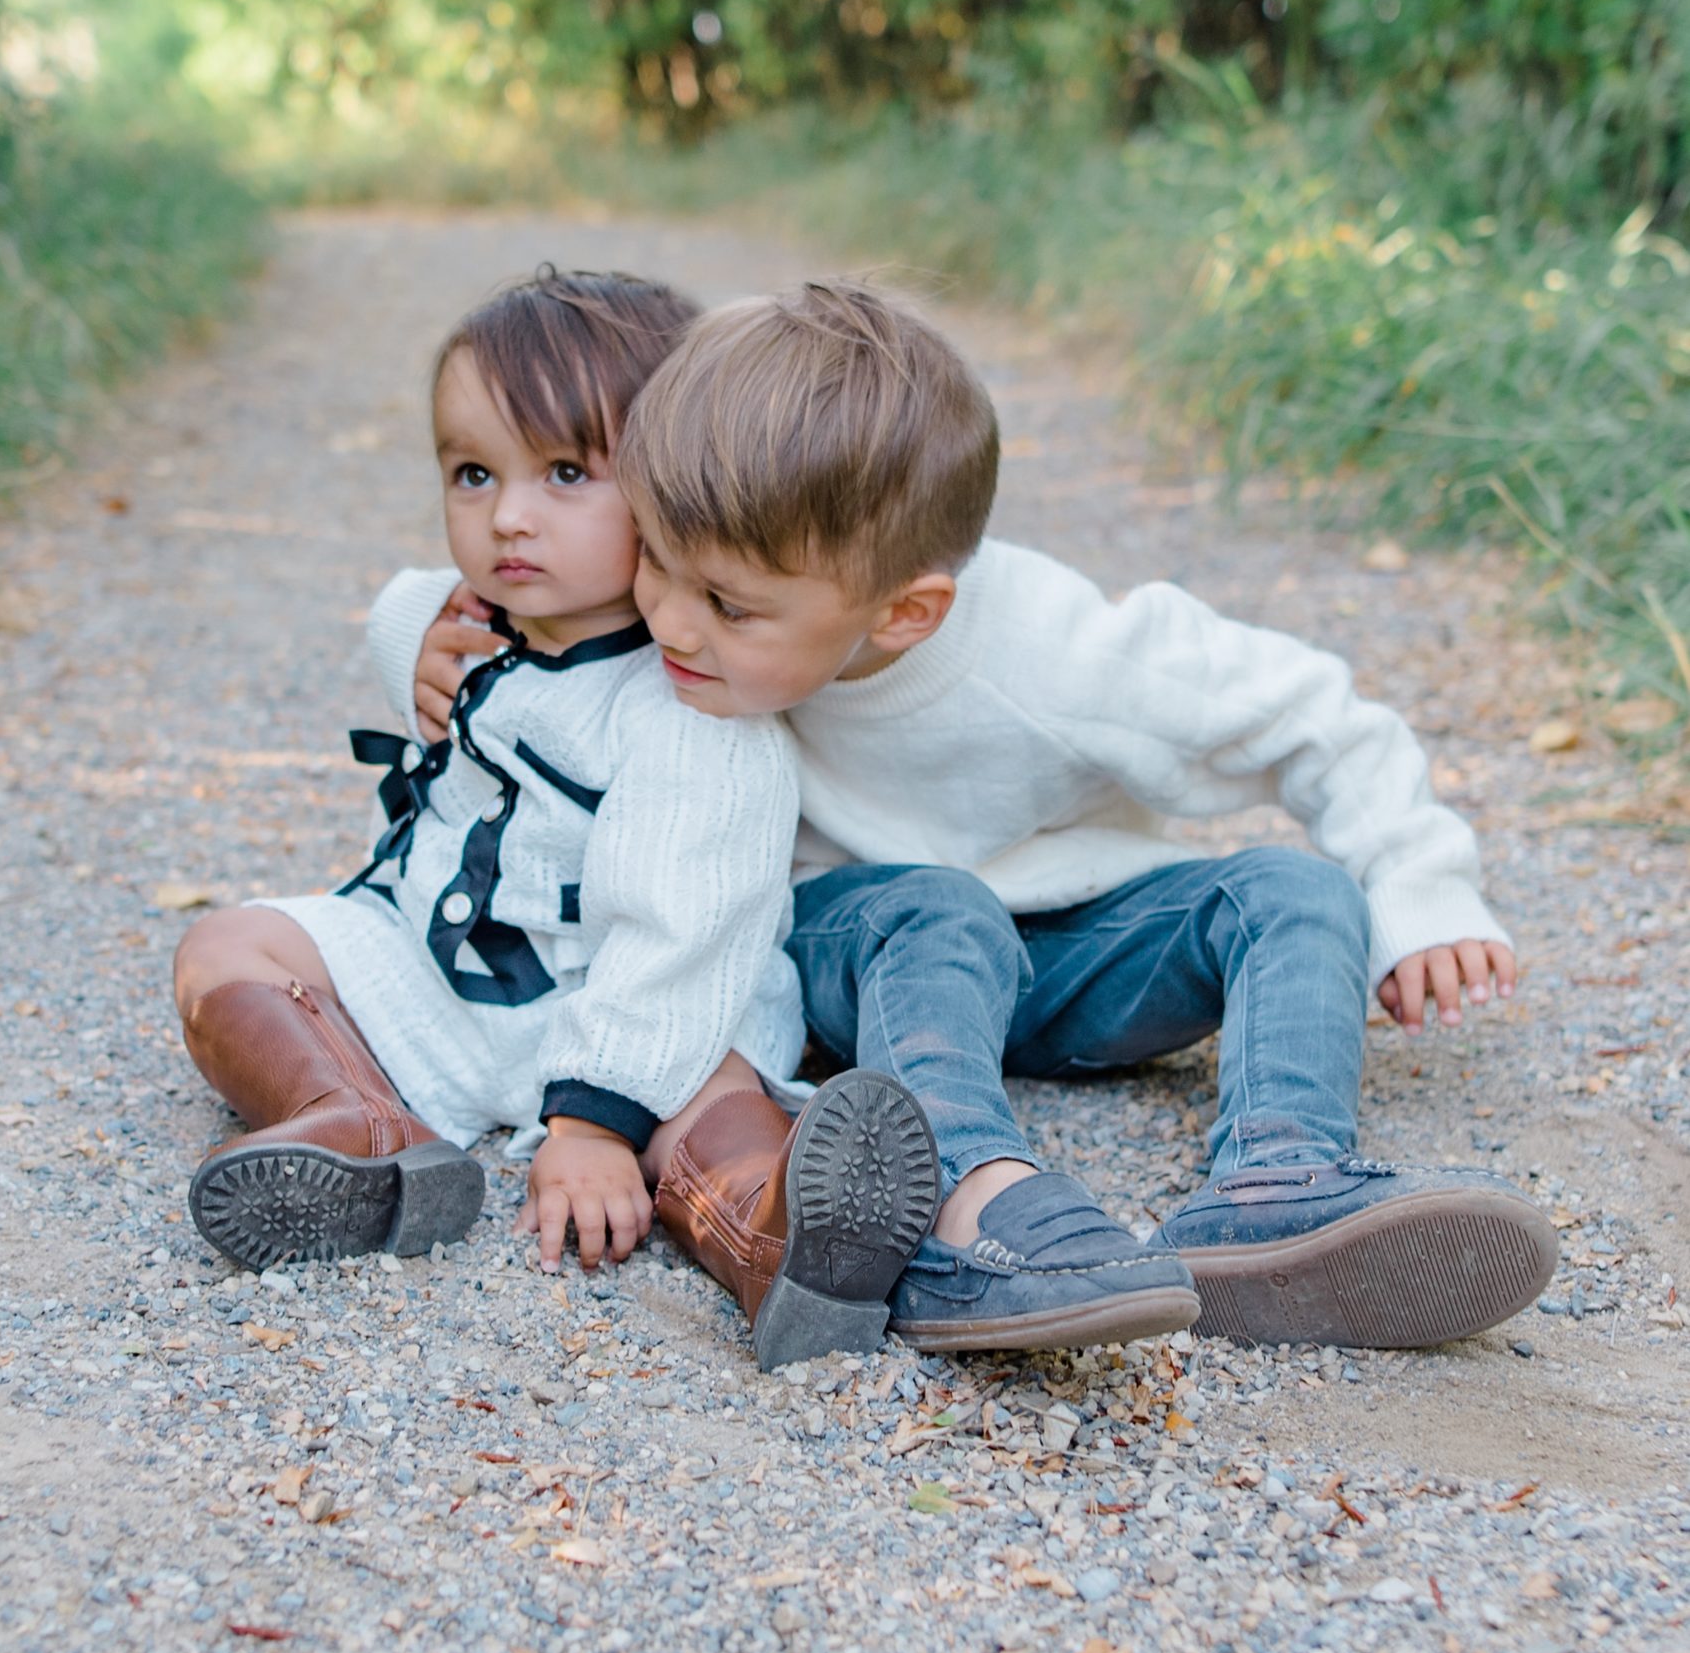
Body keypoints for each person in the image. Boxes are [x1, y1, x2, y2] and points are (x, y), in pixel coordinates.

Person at [415, 279, 1558, 1354]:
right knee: (936, 905)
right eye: (657, 561)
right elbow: (527, 619)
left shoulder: (1062, 657)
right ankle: (971, 1206)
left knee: (1296, 890)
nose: (665, 619)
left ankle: (1277, 1185)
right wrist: (431, 642)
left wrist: (1420, 889)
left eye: (724, 603)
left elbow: (1314, 713)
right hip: (846, 948)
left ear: (903, 614)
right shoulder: (700, 628)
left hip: (1053, 955)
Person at [173, 266, 940, 1373]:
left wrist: (591, 1124)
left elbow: (684, 934)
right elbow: (417, 613)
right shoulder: (486, 623)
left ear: (682, 491)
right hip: (442, 981)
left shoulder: (691, 703)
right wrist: (413, 631)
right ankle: (357, 1122)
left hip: (634, 1006)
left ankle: (781, 1235)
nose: (507, 517)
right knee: (228, 945)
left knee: (709, 1101)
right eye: (472, 472)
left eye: (569, 472)